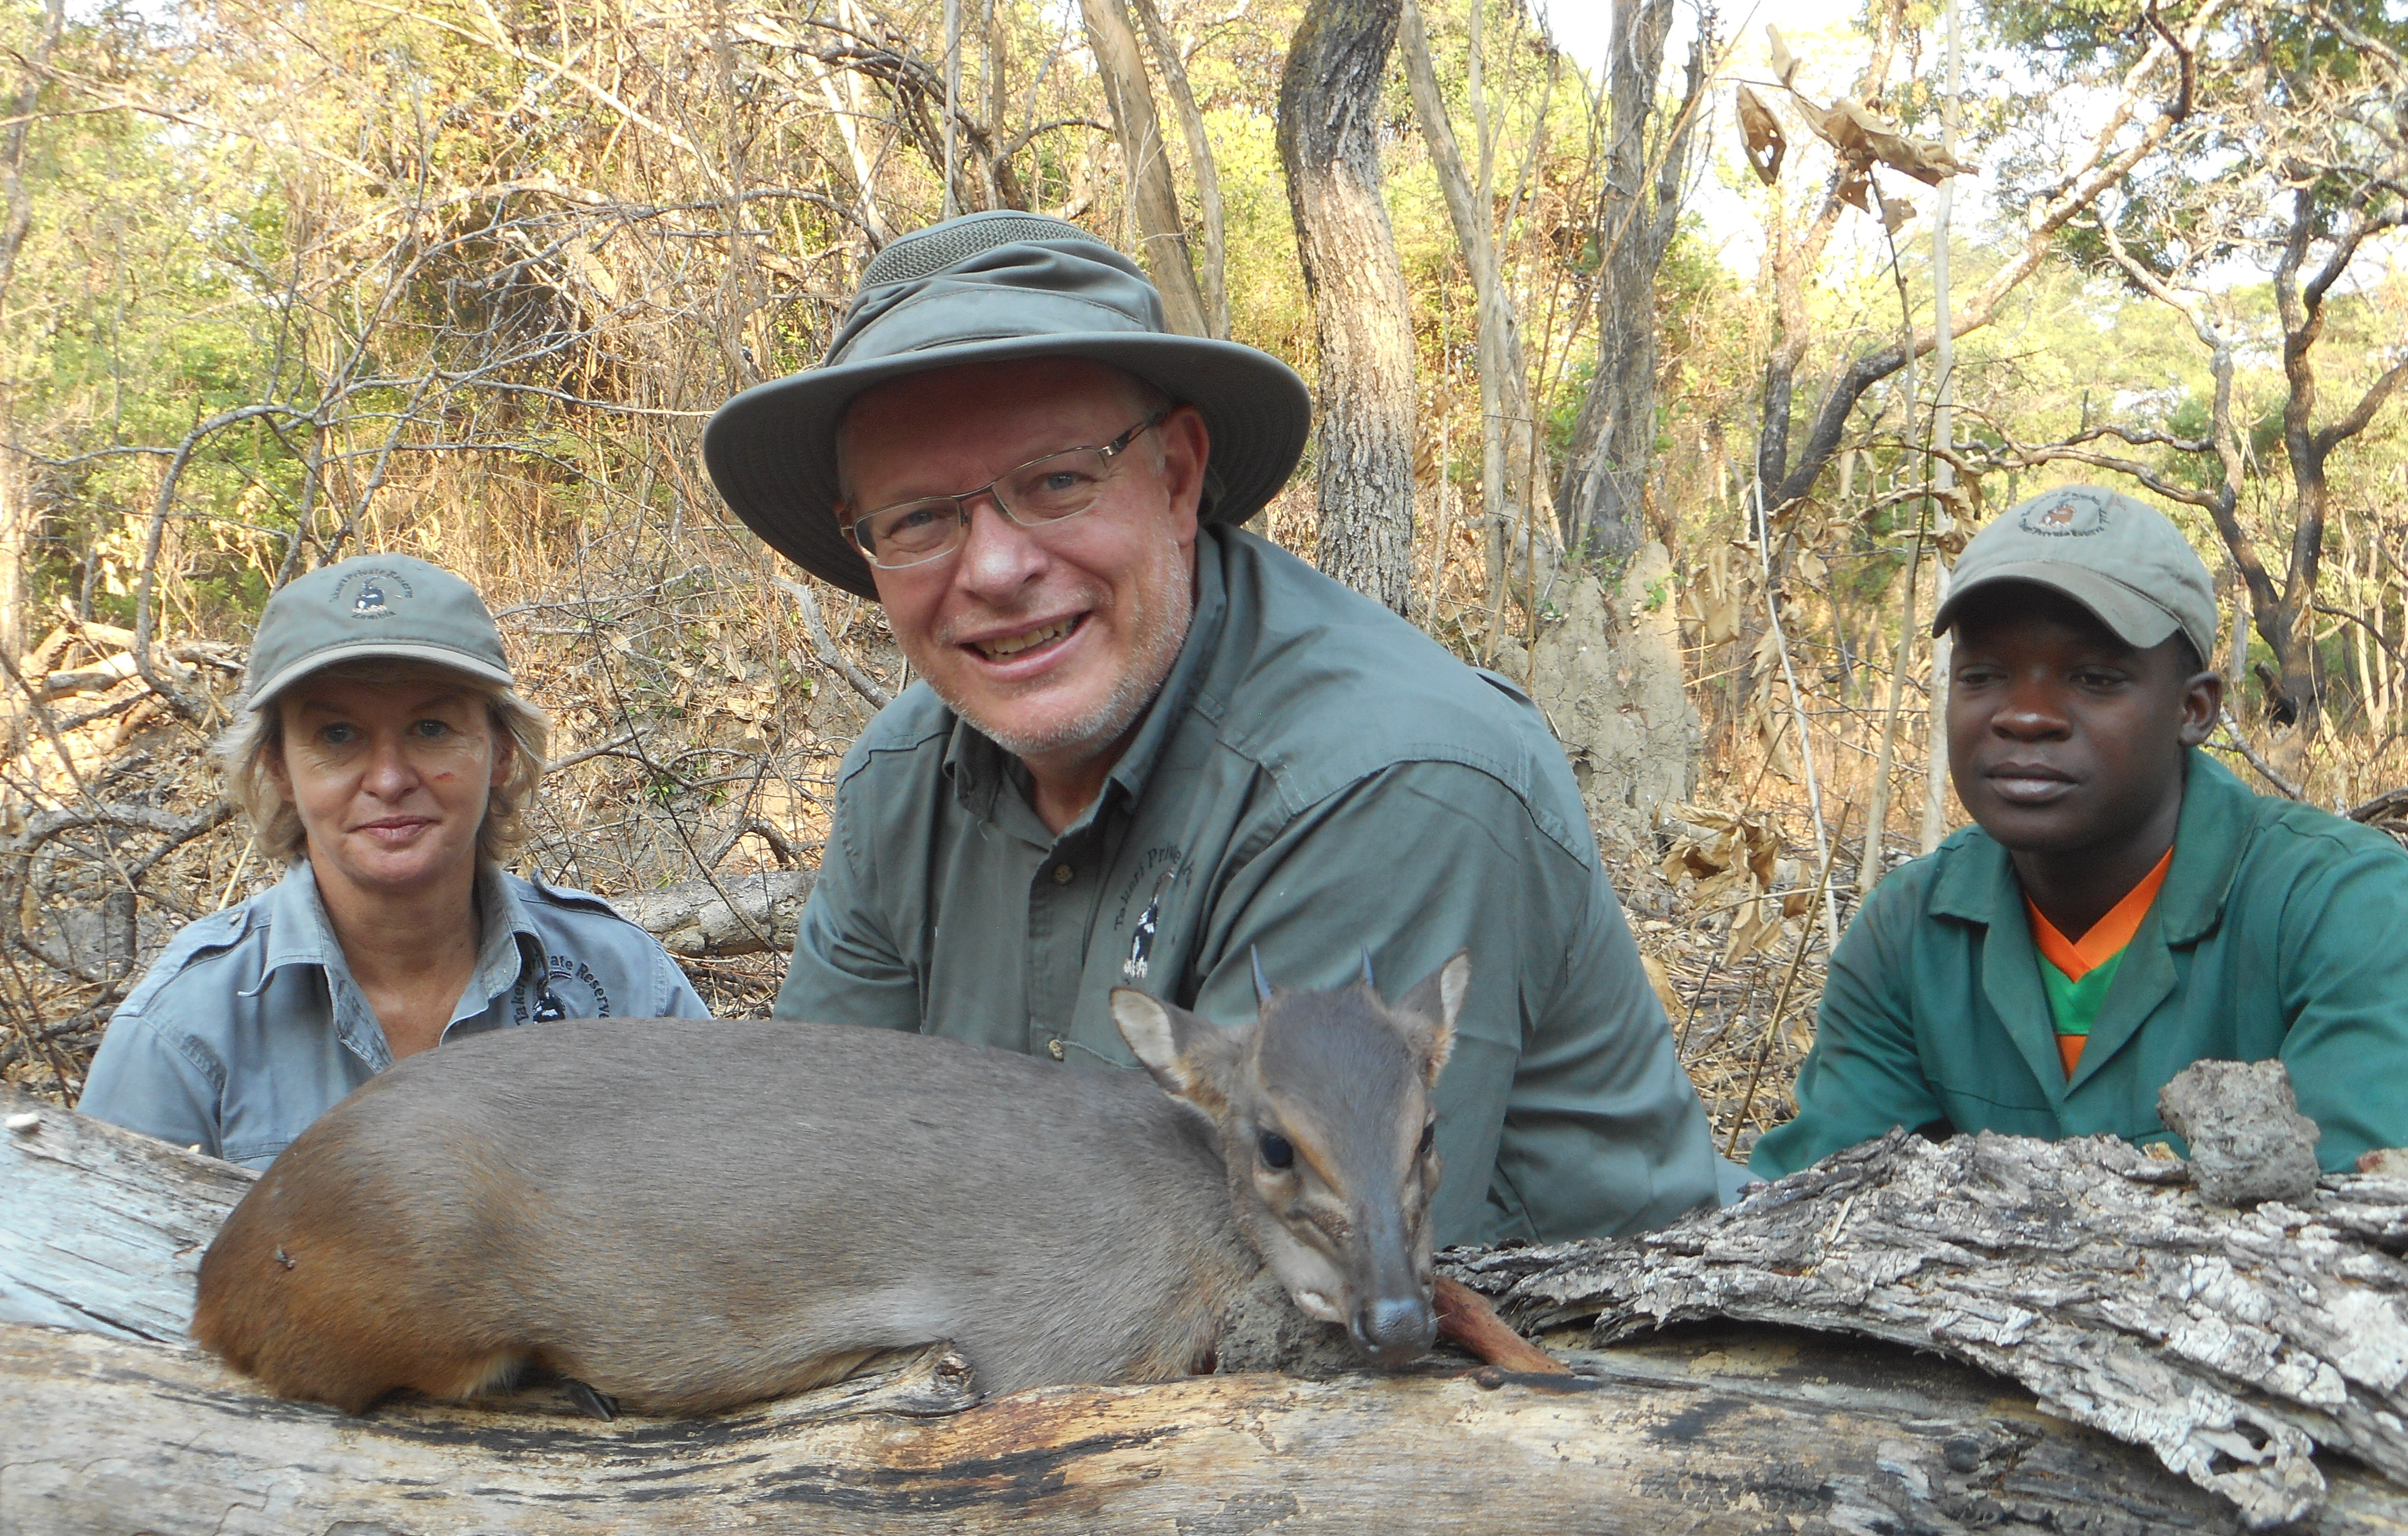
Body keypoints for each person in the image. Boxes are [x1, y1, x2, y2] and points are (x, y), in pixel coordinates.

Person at [701, 211, 1731, 1247]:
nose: (996, 569)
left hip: (1572, 1383)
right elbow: (813, 1173)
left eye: (1056, 481)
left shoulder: (1383, 783)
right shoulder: (899, 782)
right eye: (919, 518)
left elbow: (1273, 1290)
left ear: (1179, 476)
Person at [1753, 484, 2408, 1178]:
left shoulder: (2348, 908)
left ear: (2194, 710)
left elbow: (2353, 1223)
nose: (2025, 716)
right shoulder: (1911, 933)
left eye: (2093, 678)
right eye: (1983, 675)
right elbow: (1816, 1216)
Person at [81, 554, 711, 1167]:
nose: (387, 779)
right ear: (280, 770)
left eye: (431, 727)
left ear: (500, 753)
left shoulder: (626, 984)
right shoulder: (184, 1031)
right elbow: (103, 1266)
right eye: (337, 736)